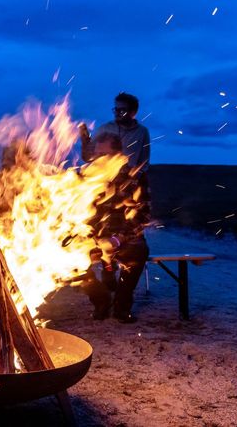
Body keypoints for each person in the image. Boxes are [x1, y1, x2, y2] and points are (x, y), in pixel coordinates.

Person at [82, 132, 150, 323]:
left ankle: (122, 306)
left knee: (139, 252)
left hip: (125, 239)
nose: (98, 159)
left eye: (103, 154)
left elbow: (143, 215)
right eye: (97, 155)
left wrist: (119, 238)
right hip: (96, 239)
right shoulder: (89, 179)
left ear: (117, 154)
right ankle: (101, 299)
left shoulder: (134, 177)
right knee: (67, 262)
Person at [80, 92, 150, 172]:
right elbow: (88, 157)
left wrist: (136, 175)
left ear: (133, 112)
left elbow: (144, 163)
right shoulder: (105, 128)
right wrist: (85, 142)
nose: (117, 113)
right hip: (103, 178)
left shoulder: (141, 132)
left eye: (122, 111)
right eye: (116, 110)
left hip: (127, 179)